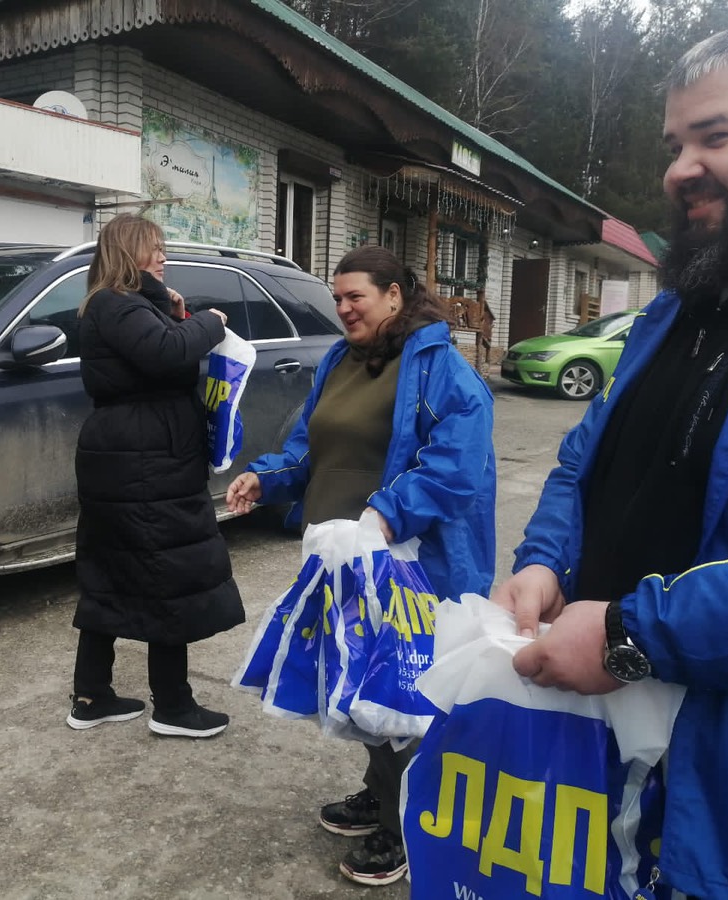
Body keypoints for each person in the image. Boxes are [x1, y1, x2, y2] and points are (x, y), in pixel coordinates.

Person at [491, 13, 728, 899]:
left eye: (716, 137)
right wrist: (544, 559)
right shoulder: (675, 308)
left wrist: (633, 636)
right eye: (673, 144)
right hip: (609, 757)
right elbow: (584, 460)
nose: (677, 169)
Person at [226, 245, 496, 886]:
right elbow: (311, 445)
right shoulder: (340, 360)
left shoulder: (441, 370)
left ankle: (408, 826)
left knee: (406, 695)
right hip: (342, 558)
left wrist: (386, 516)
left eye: (356, 297)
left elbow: (455, 468)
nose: (344, 308)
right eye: (338, 297)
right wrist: (268, 479)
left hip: (411, 563)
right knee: (363, 685)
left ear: (394, 295)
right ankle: (381, 794)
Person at [67, 214, 245, 739]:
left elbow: (155, 351)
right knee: (167, 573)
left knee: (112, 573)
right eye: (154, 248)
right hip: (143, 460)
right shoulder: (116, 303)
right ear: (128, 252)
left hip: (128, 455)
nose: (164, 257)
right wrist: (210, 322)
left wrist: (171, 310)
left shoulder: (122, 304)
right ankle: (173, 707)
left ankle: (92, 696)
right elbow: (168, 353)